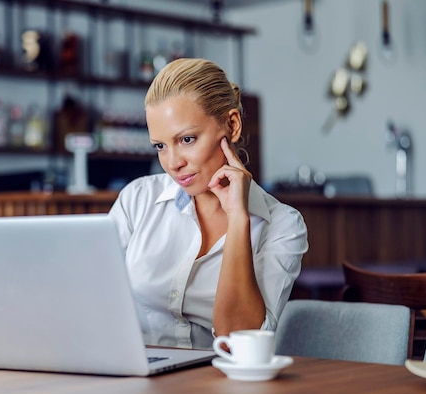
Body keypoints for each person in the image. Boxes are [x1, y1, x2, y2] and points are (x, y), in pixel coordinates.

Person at [108, 58, 308, 349]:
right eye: (160, 146)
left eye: (187, 139)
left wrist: (238, 218)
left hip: (220, 385)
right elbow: (90, 300)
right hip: (137, 379)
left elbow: (237, 341)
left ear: (232, 125)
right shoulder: (137, 201)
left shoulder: (283, 226)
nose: (173, 163)